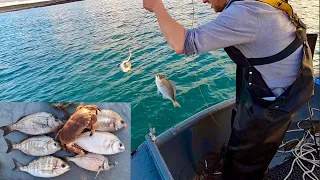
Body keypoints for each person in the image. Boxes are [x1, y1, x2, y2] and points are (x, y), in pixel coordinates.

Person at [143, 0, 317, 179]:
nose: (203, 0)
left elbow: (183, 43)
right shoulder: (256, 4)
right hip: (282, 85)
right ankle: (237, 154)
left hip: (275, 102)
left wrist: (157, 5)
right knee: (242, 129)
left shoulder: (245, 14)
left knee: (246, 165)